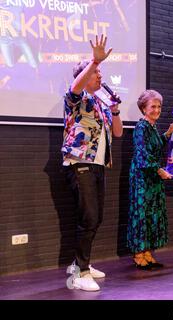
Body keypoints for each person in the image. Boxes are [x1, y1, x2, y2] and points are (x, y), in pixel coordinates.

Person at [62, 34, 123, 291]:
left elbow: (118, 133)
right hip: (80, 162)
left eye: (100, 72)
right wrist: (93, 61)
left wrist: (116, 109)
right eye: (96, 72)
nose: (100, 76)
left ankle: (80, 263)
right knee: (89, 217)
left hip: (99, 165)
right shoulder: (76, 98)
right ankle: (80, 273)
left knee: (95, 218)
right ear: (86, 76)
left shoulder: (100, 103)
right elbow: (75, 88)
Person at [127, 90, 173, 270]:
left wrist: (167, 134)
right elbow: (142, 155)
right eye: (152, 107)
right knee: (142, 213)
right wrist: (159, 170)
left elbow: (155, 145)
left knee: (152, 214)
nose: (157, 110)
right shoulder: (141, 127)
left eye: (159, 106)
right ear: (143, 109)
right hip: (142, 178)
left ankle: (147, 252)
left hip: (153, 178)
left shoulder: (152, 127)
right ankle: (138, 254)